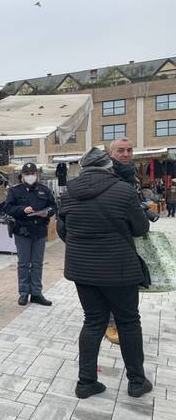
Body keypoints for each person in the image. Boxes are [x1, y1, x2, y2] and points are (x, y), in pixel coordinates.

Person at [57, 147, 152, 399]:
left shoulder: (68, 193)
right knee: (129, 321)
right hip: (119, 270)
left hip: (82, 270)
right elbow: (141, 227)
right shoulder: (123, 190)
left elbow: (62, 231)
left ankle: (86, 382)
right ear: (108, 165)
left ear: (84, 167)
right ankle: (136, 382)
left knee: (93, 321)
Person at [4, 163, 55, 307]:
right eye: (27, 173)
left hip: (39, 231)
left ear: (37, 174)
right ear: (22, 175)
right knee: (24, 264)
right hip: (22, 231)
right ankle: (24, 293)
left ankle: (36, 293)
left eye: (33, 173)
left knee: (37, 263)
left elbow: (53, 206)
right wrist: (22, 209)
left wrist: (48, 212)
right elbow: (7, 208)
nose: (30, 175)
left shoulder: (44, 190)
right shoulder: (14, 191)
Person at [105, 137, 138, 344]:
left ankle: (120, 320)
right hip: (109, 238)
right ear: (111, 154)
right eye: (120, 151)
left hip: (127, 235)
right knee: (110, 284)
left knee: (124, 285)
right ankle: (110, 323)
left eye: (129, 150)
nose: (125, 154)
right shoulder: (108, 174)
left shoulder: (131, 174)